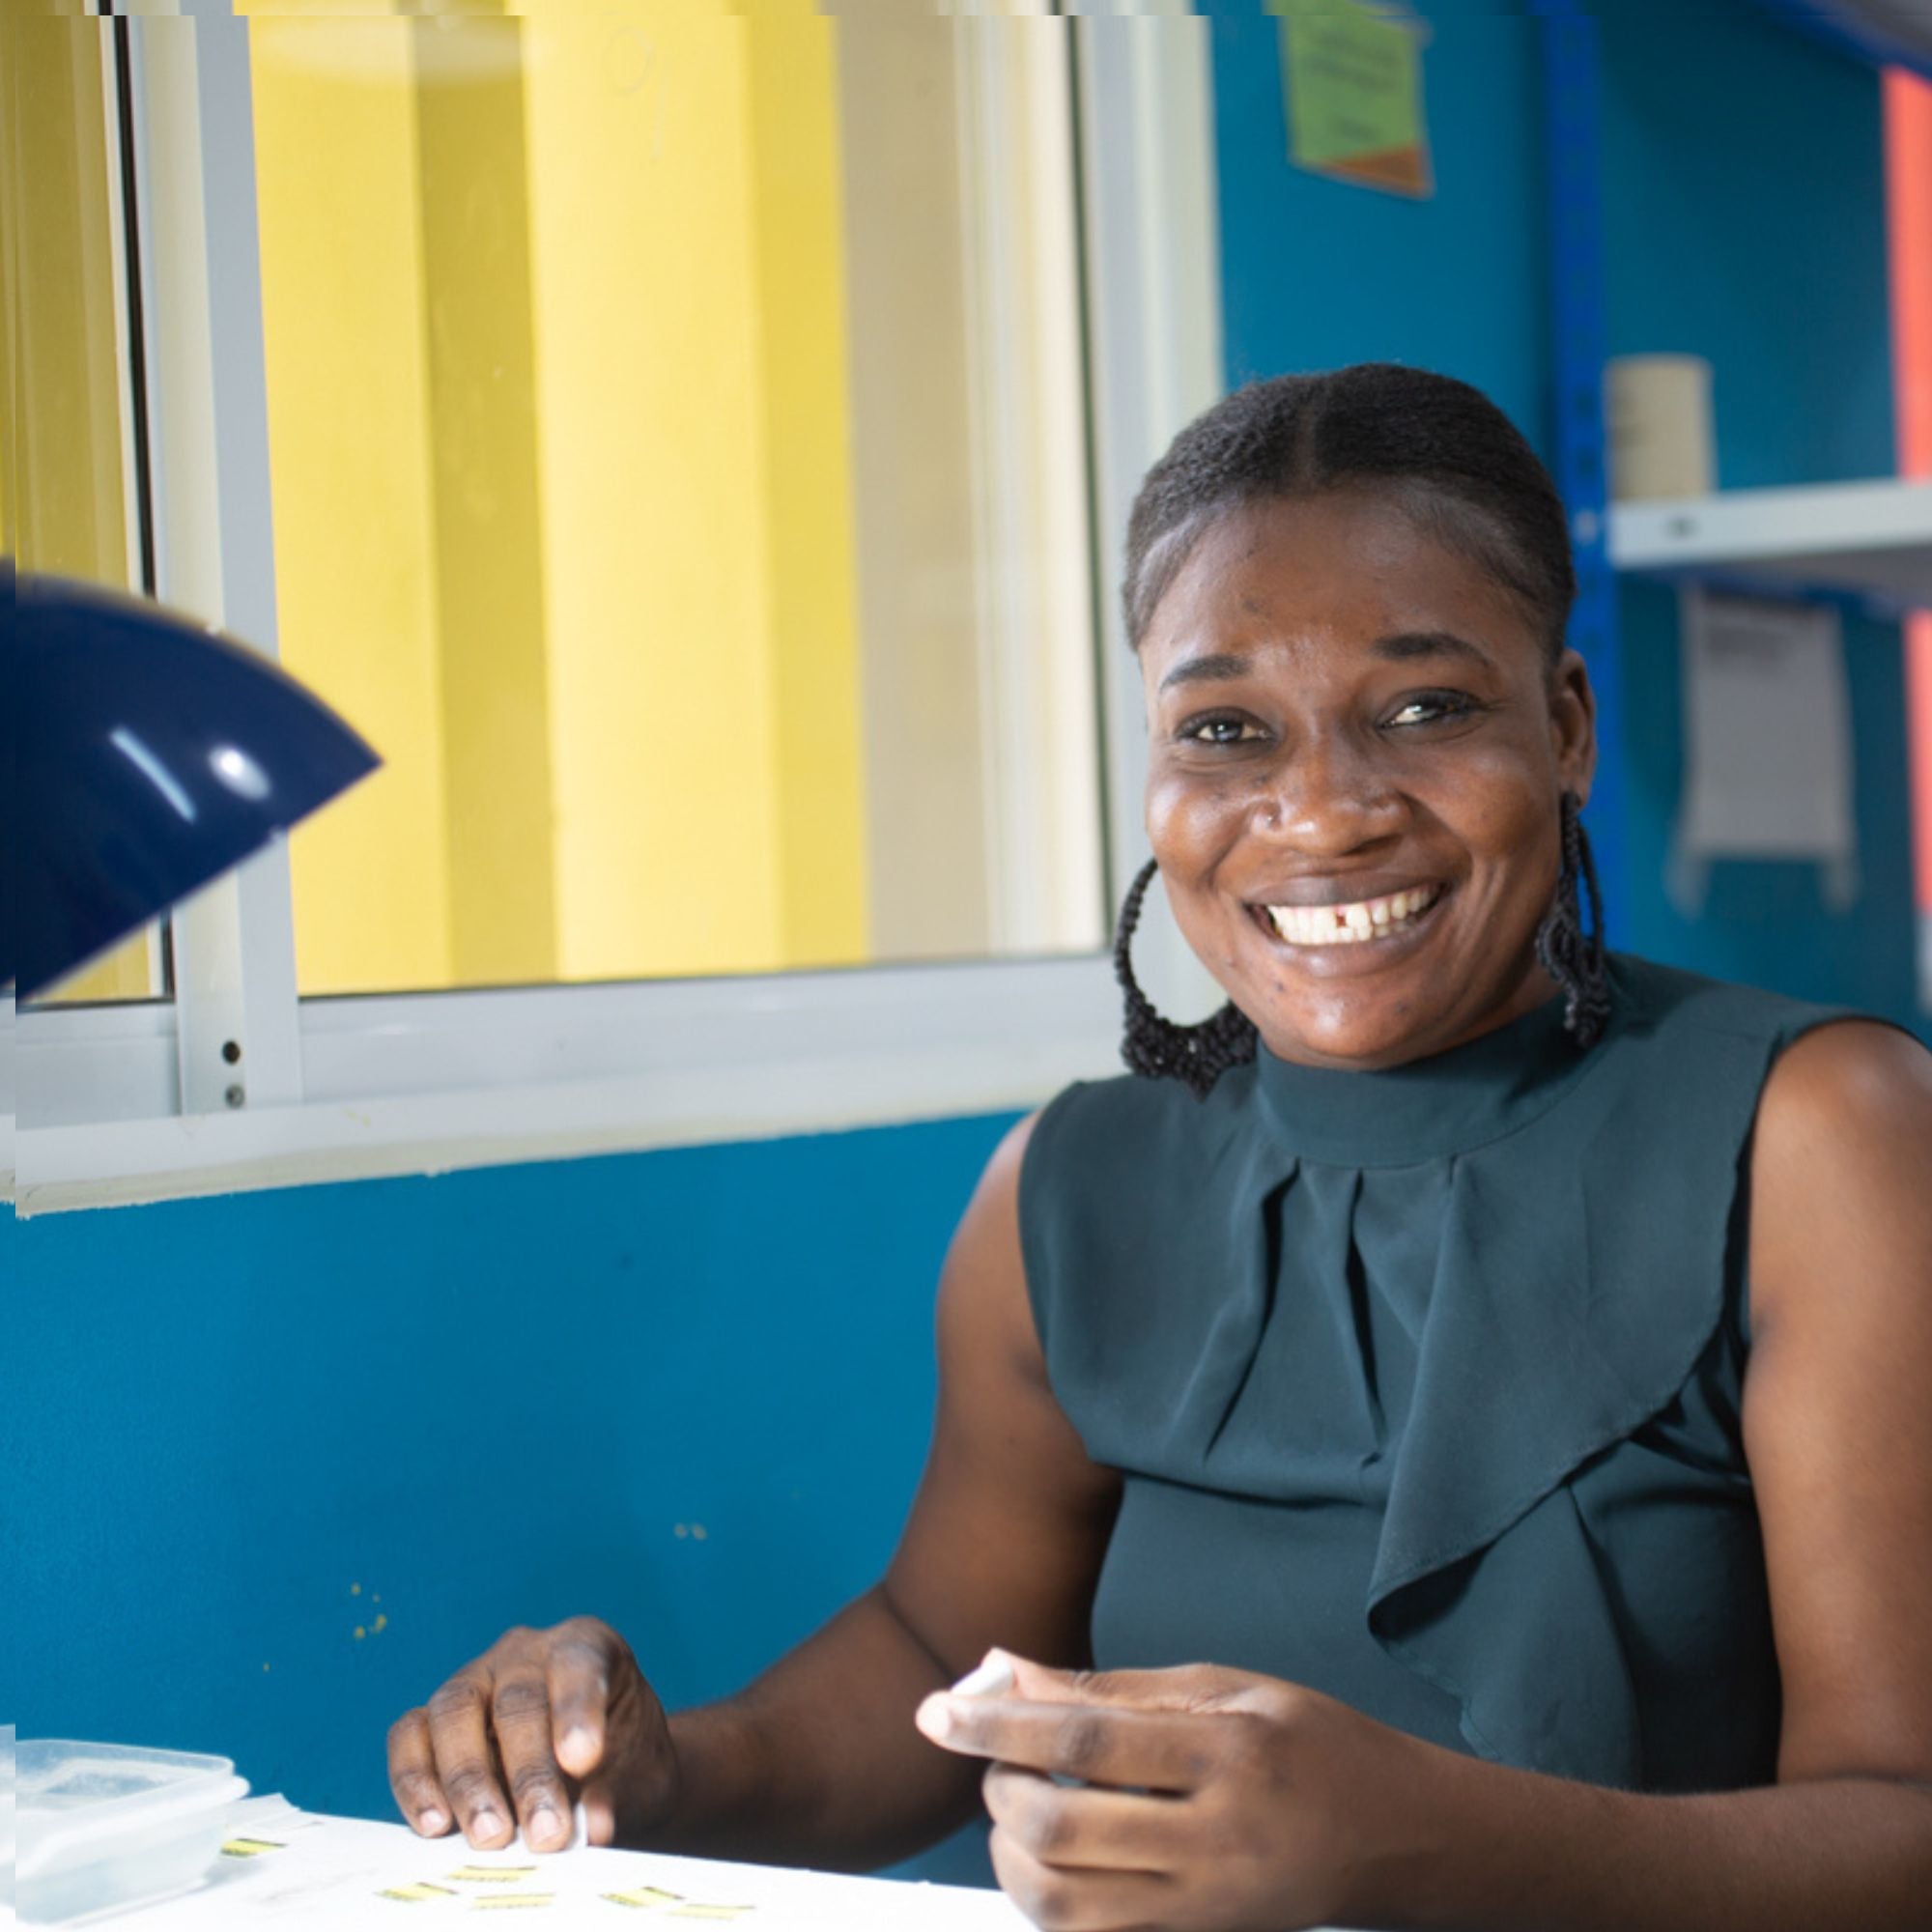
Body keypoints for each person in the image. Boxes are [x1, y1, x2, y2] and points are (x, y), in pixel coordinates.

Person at [387, 365, 1932, 1931]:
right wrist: (653, 1781)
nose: (1321, 812)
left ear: (1568, 726)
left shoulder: (1815, 1137)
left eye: (1425, 707)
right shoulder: (1064, 1192)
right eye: (1225, 730)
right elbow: (939, 1667)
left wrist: (1419, 1840)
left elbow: (1906, 1829)